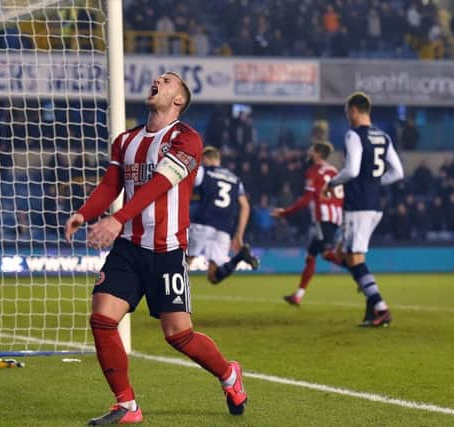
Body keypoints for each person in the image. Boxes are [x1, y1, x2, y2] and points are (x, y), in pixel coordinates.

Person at [65, 72, 247, 425]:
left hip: (166, 250)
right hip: (129, 247)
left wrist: (118, 218)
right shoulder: (126, 140)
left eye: (167, 81)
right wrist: (84, 214)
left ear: (178, 99)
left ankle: (229, 375)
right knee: (102, 318)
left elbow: (159, 185)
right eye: (157, 79)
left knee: (178, 335)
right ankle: (127, 406)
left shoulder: (187, 140)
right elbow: (111, 184)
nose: (157, 82)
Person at [323, 92, 403, 327]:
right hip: (375, 204)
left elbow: (352, 170)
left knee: (353, 258)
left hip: (358, 203)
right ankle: (371, 309)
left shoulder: (354, 134)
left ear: (355, 110)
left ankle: (380, 306)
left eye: (348, 111)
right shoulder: (384, 136)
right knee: (349, 255)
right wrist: (376, 183)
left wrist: (332, 183)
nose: (347, 116)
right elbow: (398, 172)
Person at [271, 140, 343, 306]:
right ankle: (298, 295)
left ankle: (357, 270)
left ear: (317, 153)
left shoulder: (314, 171)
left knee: (326, 253)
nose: (309, 153)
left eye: (312, 151)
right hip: (336, 217)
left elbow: (306, 199)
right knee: (311, 256)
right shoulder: (334, 170)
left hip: (323, 217)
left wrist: (285, 212)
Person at [187, 146, 259, 284]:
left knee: (184, 264)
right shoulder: (235, 179)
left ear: (206, 159)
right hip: (224, 229)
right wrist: (239, 235)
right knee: (214, 277)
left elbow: (185, 184)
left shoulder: (203, 171)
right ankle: (239, 257)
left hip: (203, 223)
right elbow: (245, 206)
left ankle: (172, 302)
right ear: (218, 160)